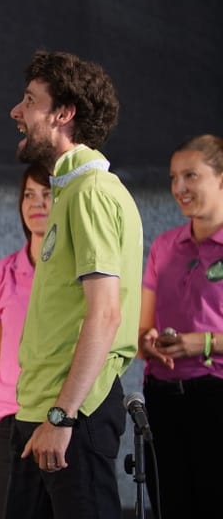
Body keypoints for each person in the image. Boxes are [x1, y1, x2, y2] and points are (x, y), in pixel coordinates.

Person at [5, 50, 143, 518]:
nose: (16, 112)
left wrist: (63, 415)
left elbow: (105, 314)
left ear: (64, 114)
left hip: (69, 418)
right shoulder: (68, 192)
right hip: (38, 415)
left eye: (29, 101)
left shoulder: (92, 193)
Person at [137, 134, 223, 519]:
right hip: (163, 398)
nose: (179, 188)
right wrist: (148, 341)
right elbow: (141, 330)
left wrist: (201, 344)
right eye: (173, 178)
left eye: (191, 176)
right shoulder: (164, 246)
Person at [0, 163, 51, 519]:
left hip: (62, 419)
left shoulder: (83, 273)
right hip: (9, 420)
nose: (37, 203)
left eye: (48, 194)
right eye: (29, 195)